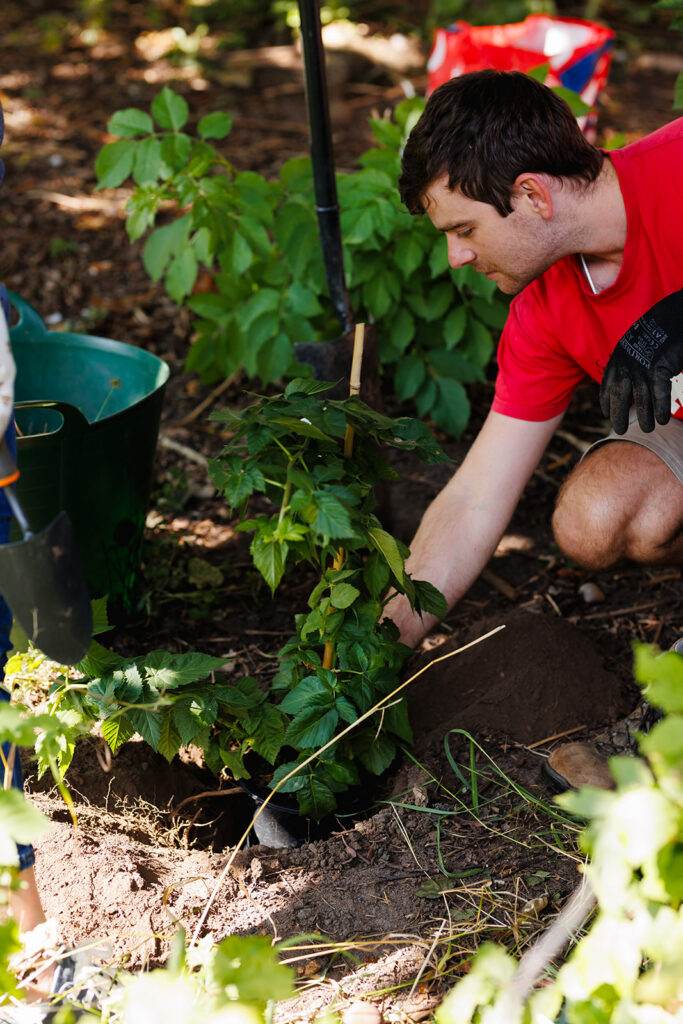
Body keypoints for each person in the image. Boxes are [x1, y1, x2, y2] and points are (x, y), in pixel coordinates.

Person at [385, 71, 683, 777]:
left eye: (463, 230)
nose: (456, 256)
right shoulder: (545, 309)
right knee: (595, 515)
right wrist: (380, 643)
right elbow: (476, 494)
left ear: (530, 195)